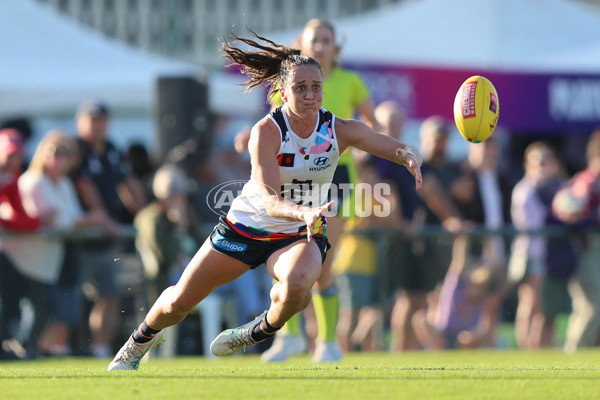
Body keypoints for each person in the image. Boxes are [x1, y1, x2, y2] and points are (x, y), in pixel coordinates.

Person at [107, 28, 422, 371]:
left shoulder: (337, 129)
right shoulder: (267, 131)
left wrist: (408, 155)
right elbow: (271, 201)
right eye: (300, 88)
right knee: (178, 303)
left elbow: (379, 141)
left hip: (297, 232)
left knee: (300, 284)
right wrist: (304, 212)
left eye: (316, 87)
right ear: (283, 92)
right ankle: (137, 343)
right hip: (248, 226)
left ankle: (256, 332)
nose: (310, 94)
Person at [256, 18, 380, 362]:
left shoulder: (351, 81)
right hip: (293, 177)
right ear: (303, 44)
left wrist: (365, 144)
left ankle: (327, 342)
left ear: (335, 46)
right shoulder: (287, 84)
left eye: (327, 40)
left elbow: (372, 124)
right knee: (286, 256)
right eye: (315, 40)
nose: (322, 46)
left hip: (336, 176)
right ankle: (291, 336)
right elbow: (273, 129)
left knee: (322, 261)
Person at [14, 130, 110, 356]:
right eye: (55, 151)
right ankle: (32, 349)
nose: (61, 158)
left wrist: (77, 221)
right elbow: (48, 222)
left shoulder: (64, 183)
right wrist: (86, 220)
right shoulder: (33, 181)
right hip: (31, 261)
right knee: (36, 308)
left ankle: (47, 350)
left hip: (55, 257)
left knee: (55, 306)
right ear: (42, 153)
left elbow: (67, 217)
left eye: (67, 152)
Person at [70, 100, 147, 357]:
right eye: (91, 120)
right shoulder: (76, 149)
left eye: (100, 120)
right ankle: (58, 347)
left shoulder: (112, 149)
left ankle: (99, 347)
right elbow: (84, 184)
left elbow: (127, 183)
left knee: (110, 294)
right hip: (77, 237)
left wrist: (144, 215)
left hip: (104, 238)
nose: (96, 125)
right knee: (69, 297)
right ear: (79, 122)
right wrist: (105, 220)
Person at [0, 128, 52, 358]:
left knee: (12, 294)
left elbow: (19, 215)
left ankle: (7, 344)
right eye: (9, 154)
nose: (14, 159)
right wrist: (36, 222)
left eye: (17, 154)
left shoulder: (12, 174)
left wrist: (35, 222)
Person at [552, 129, 600, 352]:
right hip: (588, 252)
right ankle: (573, 358)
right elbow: (565, 207)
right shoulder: (587, 181)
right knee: (591, 307)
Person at [411, 235, 497, 350]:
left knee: (474, 336)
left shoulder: (482, 299)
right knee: (420, 319)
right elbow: (458, 260)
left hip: (464, 337)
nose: (476, 289)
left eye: (480, 287)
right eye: (474, 285)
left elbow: (490, 268)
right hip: (443, 333)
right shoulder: (457, 288)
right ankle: (439, 352)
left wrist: (488, 242)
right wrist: (462, 238)